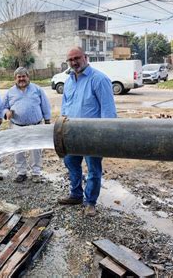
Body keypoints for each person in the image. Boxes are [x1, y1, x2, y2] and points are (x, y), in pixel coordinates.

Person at [59, 47, 117, 217]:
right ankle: (76, 195)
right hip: (71, 133)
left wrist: (105, 136)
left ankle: (90, 202)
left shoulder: (99, 79)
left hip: (93, 135)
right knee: (71, 163)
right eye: (70, 60)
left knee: (93, 169)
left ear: (86, 57)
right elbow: (65, 106)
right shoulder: (69, 81)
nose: (74, 62)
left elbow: (108, 111)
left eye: (77, 58)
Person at [2, 67, 51, 183]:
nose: (21, 79)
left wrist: (47, 120)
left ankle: (36, 173)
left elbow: (45, 105)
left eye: (24, 76)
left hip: (36, 125)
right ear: (15, 78)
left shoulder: (37, 89)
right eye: (19, 77)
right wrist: (6, 112)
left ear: (28, 77)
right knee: (18, 151)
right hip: (17, 126)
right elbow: (3, 107)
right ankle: (21, 173)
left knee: (36, 151)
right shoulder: (10, 92)